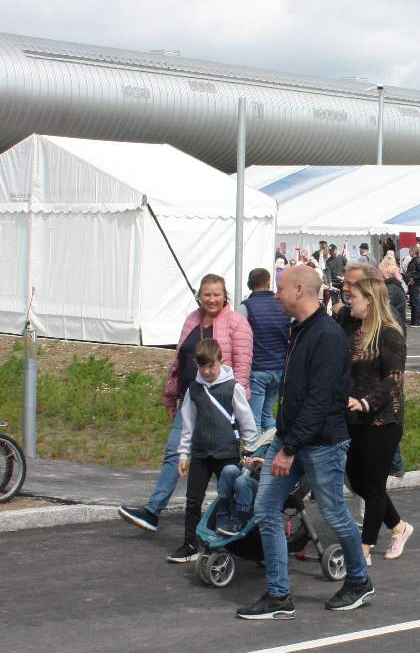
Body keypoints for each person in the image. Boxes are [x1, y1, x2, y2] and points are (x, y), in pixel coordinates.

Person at [237, 265, 373, 620]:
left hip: (321, 443)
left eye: (281, 288)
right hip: (292, 438)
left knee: (334, 513)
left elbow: (320, 400)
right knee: (266, 509)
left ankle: (359, 581)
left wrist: (288, 448)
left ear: (300, 290)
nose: (276, 294)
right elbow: (297, 395)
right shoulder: (298, 330)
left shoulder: (326, 336)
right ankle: (279, 595)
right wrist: (281, 440)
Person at [118, 274, 252, 533]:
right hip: (192, 397)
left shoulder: (237, 323)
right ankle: (153, 511)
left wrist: (239, 400)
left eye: (217, 294)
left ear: (225, 296)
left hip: (222, 404)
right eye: (207, 294)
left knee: (224, 466)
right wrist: (170, 393)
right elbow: (179, 360)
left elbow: (243, 366)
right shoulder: (192, 319)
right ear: (199, 295)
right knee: (174, 452)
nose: (211, 299)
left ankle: (233, 516)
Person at [342, 277, 415, 561]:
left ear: (370, 300)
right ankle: (399, 526)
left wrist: (365, 402)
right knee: (357, 482)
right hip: (354, 418)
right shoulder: (353, 331)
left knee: (373, 487)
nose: (350, 300)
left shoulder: (389, 334)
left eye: (355, 296)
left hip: (383, 420)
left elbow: (393, 380)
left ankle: (364, 548)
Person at [174, 338, 258, 563]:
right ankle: (190, 543)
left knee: (230, 496)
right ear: (197, 365)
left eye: (212, 366)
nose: (208, 371)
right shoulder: (194, 389)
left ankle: (238, 542)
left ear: (221, 361)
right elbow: (187, 424)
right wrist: (184, 454)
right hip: (201, 453)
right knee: (193, 500)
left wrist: (250, 451)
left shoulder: (233, 388)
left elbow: (247, 422)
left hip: (227, 453)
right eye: (203, 367)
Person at [240, 268, 289, 433]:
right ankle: (271, 450)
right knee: (268, 416)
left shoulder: (246, 307)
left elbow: (239, 337)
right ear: (269, 283)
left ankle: (256, 456)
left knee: (254, 419)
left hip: (258, 368)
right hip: (280, 367)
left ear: (249, 285)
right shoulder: (282, 304)